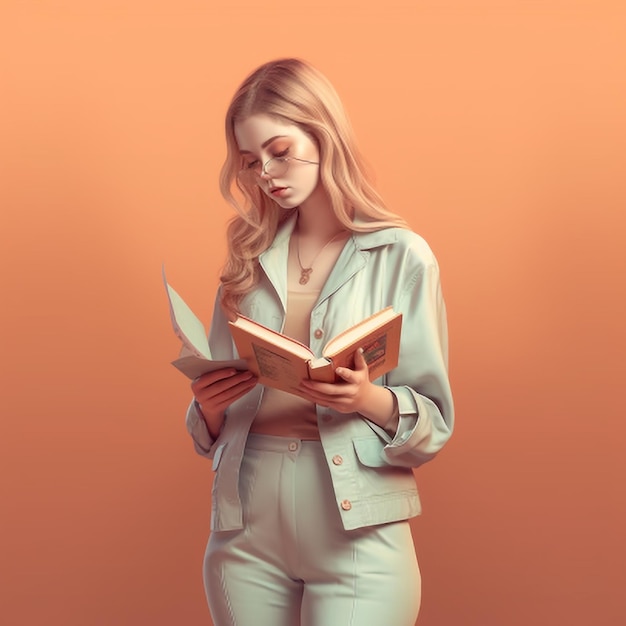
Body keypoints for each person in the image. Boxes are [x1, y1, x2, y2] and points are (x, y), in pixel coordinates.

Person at [185, 57, 454, 626]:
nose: (267, 174)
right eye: (252, 162)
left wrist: (365, 399)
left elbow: (435, 421)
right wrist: (206, 411)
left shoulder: (402, 255)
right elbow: (212, 411)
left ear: (323, 133)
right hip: (245, 521)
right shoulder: (246, 259)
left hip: (356, 524)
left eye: (279, 151)